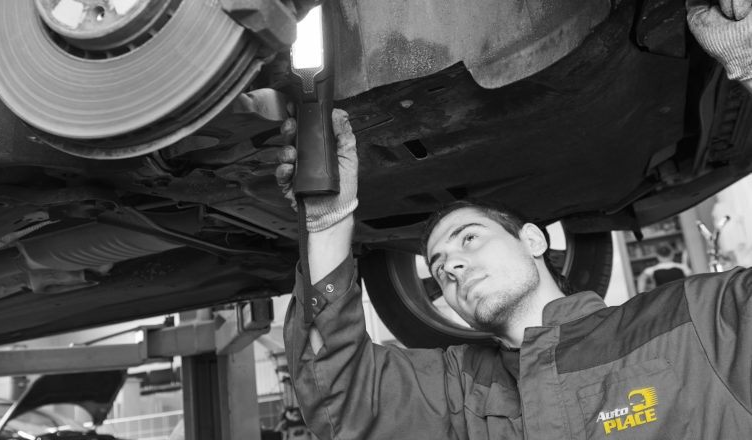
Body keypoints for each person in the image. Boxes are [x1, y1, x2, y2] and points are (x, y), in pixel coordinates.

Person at [276, 1, 752, 439]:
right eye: (438, 265)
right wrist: (327, 223)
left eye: (468, 238)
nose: (450, 267)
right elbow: (342, 397)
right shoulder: (460, 395)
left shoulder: (694, 324)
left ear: (533, 240)